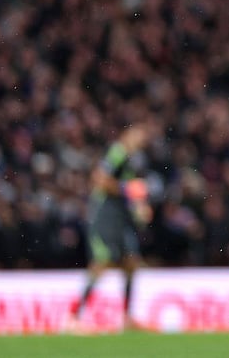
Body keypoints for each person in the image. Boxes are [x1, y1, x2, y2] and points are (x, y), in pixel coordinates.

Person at [66, 122, 155, 333]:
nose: (140, 141)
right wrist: (128, 190)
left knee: (131, 263)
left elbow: (127, 193)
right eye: (137, 135)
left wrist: (139, 207)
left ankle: (126, 318)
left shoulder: (131, 162)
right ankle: (73, 318)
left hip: (121, 219)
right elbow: (99, 179)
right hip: (105, 217)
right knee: (102, 263)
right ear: (127, 134)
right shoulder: (118, 152)